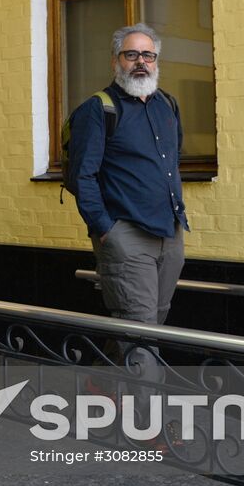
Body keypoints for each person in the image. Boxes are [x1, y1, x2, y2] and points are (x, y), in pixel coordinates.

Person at [68, 24, 189, 368]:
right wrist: (106, 230)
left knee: (153, 322)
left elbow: (171, 159)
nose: (141, 62)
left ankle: (101, 382)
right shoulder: (98, 109)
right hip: (125, 236)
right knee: (140, 330)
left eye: (148, 55)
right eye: (131, 54)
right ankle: (147, 420)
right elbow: (82, 176)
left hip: (169, 231)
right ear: (115, 61)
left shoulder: (167, 104)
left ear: (156, 61)